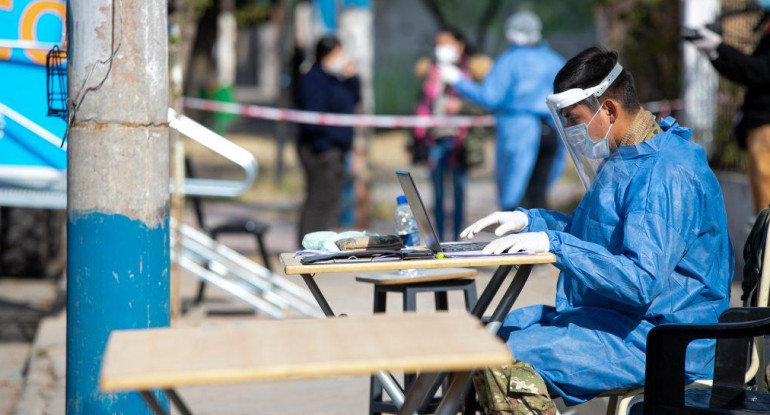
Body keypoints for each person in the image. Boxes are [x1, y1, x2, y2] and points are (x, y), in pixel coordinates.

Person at [460, 47, 733, 413]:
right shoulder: (630, 156)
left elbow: (640, 280)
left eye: (574, 119)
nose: (571, 131)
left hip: (665, 338)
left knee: (504, 361)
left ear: (608, 110)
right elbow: (596, 234)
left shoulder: (664, 173)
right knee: (478, 337)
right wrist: (531, 221)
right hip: (618, 320)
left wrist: (555, 244)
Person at [439, 11, 565, 210]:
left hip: (519, 132)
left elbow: (490, 97)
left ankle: (518, 240)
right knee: (540, 196)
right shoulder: (555, 60)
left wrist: (458, 81)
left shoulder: (509, 61)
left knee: (515, 200)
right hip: (551, 131)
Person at [691, 3, 770, 213]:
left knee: (766, 213)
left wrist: (719, 48)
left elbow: (761, 71)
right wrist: (715, 51)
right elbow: (748, 73)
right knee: (762, 211)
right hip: (760, 130)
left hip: (766, 131)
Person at [296, 36, 360, 245]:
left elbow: (354, 100)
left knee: (332, 201)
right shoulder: (313, 79)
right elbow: (312, 119)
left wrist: (352, 78)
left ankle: (324, 243)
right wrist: (323, 147)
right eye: (338, 53)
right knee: (317, 200)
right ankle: (307, 244)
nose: (342, 58)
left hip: (337, 149)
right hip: (320, 150)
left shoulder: (336, 79)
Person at [413, 28, 473, 241]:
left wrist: (461, 104)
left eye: (446, 43)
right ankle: (439, 241)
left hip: (459, 142)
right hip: (435, 140)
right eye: (439, 44)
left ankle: (457, 240)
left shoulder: (468, 72)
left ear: (460, 45)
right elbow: (424, 104)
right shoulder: (430, 72)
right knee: (437, 196)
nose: (442, 48)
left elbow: (478, 103)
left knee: (458, 193)